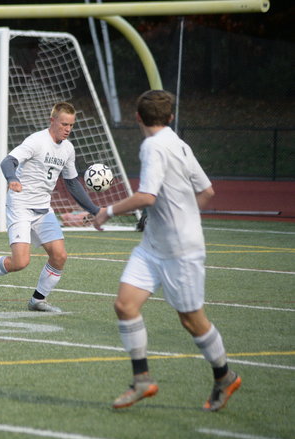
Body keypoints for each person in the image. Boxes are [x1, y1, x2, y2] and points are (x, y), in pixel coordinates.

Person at [93, 90, 241, 411]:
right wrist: (178, 216)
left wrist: (107, 211)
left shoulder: (153, 146)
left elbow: (147, 196)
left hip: (180, 251)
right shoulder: (179, 142)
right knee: (125, 305)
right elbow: (207, 191)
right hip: (153, 246)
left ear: (137, 117)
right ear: (170, 117)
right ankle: (141, 380)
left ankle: (224, 376)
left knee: (191, 320)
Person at [0, 102, 101, 312]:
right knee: (20, 262)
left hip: (43, 209)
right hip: (21, 205)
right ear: (52, 121)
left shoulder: (68, 149)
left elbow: (72, 183)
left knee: (59, 256)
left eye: (71, 125)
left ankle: (37, 300)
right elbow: (7, 162)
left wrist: (95, 210)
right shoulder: (36, 141)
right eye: (64, 124)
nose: (67, 129)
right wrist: (12, 178)